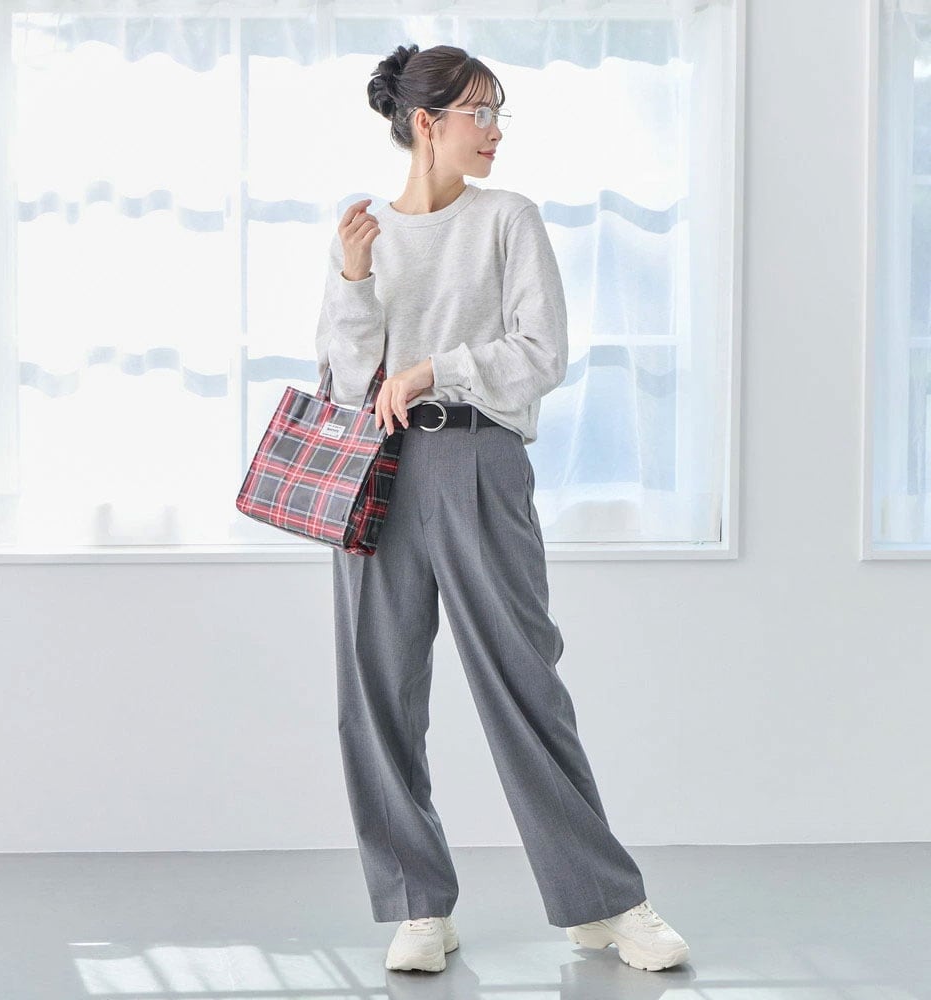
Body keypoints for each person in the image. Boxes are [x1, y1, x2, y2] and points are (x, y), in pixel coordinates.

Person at [314, 42, 690, 975]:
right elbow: (346, 383)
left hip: (476, 458)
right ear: (426, 123)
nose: (494, 131)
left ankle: (603, 902)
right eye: (479, 113)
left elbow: (541, 352)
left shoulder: (506, 219)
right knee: (376, 689)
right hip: (376, 469)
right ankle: (417, 907)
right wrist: (354, 281)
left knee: (523, 680)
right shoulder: (363, 229)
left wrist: (434, 368)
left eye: (497, 113)